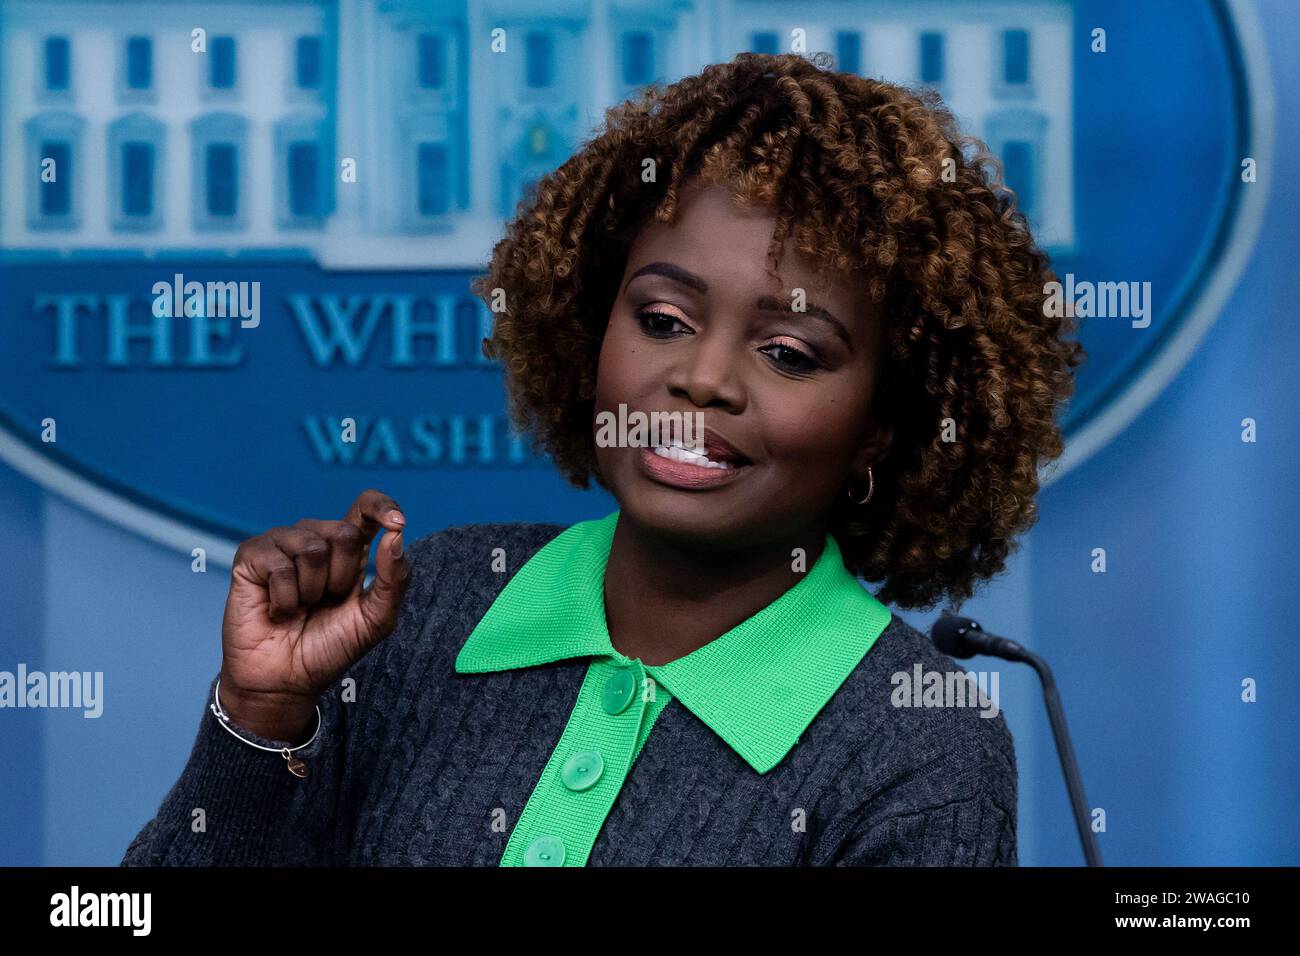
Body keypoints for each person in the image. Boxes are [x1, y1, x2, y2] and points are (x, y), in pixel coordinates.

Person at [121, 51, 1083, 867]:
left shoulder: (920, 750)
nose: (702, 379)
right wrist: (261, 721)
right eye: (662, 319)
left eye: (788, 353)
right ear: (591, 329)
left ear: (883, 424)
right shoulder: (436, 602)